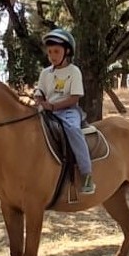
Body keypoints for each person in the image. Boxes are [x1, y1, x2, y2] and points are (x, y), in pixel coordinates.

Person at [34, 28, 95, 194]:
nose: (52, 56)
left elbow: (74, 98)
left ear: (67, 51)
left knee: (73, 130)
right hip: (47, 111)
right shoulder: (45, 73)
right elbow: (39, 92)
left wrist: (53, 106)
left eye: (56, 51)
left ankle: (86, 173)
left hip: (68, 111)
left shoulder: (74, 72)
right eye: (50, 52)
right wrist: (39, 100)